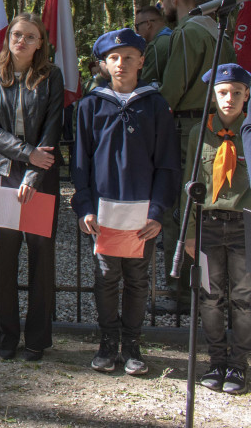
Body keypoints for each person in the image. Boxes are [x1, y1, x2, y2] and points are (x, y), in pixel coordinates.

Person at [72, 28, 180, 375]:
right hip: (104, 209)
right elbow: (80, 163)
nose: (121, 64)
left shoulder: (156, 105)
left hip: (141, 211)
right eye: (114, 58)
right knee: (105, 277)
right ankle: (107, 342)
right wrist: (85, 206)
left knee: (137, 279)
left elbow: (167, 163)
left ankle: (132, 343)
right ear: (103, 64)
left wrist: (157, 211)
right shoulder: (90, 105)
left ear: (141, 61)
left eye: (129, 57)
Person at [0, 13, 64, 361]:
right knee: (5, 261)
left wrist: (32, 174)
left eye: (30, 36)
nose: (21, 41)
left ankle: (37, 339)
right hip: (1, 174)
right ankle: (7, 338)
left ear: (40, 42)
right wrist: (27, 154)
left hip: (39, 179)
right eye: (16, 34)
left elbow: (53, 128)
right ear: (7, 39)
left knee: (41, 261)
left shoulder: (51, 77)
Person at [158, 0, 236, 313]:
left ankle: (181, 290)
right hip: (218, 127)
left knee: (183, 207)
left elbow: (172, 88)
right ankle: (215, 289)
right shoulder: (217, 29)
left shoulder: (188, 32)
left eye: (162, 0)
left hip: (190, 127)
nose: (162, 6)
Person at [180, 63, 251, 395]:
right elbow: (190, 187)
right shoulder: (199, 134)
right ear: (212, 95)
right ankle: (216, 361)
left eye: (237, 93)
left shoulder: (249, 133)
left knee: (244, 299)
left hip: (243, 228)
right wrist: (190, 232)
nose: (229, 99)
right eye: (223, 92)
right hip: (207, 228)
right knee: (210, 297)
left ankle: (239, 364)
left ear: (247, 95)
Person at [134, 6, 171, 87]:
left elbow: (145, 84)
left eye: (137, 27)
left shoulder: (155, 46)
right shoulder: (173, 36)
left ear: (148, 24)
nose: (136, 31)